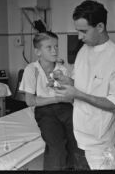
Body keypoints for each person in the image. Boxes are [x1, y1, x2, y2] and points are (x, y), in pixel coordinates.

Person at [54, 0, 115, 170]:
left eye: (83, 31)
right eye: (77, 31)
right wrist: (65, 81)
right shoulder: (83, 50)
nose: (80, 37)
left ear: (100, 26)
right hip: (79, 133)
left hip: (100, 141)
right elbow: (80, 84)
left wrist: (77, 94)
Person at [19, 31, 78, 170]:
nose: (55, 50)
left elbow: (70, 96)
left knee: (75, 141)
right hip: (45, 111)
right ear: (38, 52)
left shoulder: (62, 69)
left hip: (66, 108)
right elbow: (30, 101)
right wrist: (57, 98)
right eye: (49, 47)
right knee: (56, 147)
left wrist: (64, 87)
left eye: (56, 46)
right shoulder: (31, 70)